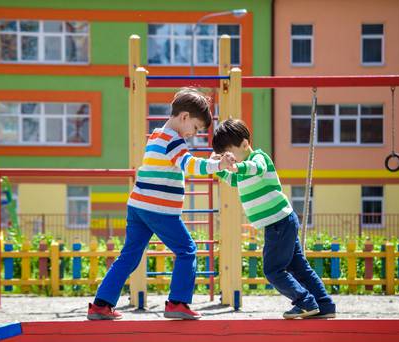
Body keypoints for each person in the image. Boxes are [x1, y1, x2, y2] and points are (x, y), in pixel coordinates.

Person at [87, 88, 236, 321]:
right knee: (187, 251)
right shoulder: (174, 141)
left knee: (129, 256)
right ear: (184, 117)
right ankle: (178, 302)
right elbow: (189, 165)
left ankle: (101, 305)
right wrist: (217, 166)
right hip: (159, 210)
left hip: (137, 205)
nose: (193, 135)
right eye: (195, 129)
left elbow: (180, 163)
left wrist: (209, 161)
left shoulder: (157, 135)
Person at [212, 119, 336, 319]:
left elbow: (256, 168)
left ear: (244, 144)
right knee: (299, 267)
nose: (229, 159)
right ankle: (324, 305)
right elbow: (234, 180)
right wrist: (219, 168)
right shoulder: (242, 169)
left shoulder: (259, 159)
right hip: (281, 222)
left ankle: (304, 302)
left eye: (229, 153)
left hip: (279, 223)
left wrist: (237, 167)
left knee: (272, 270)